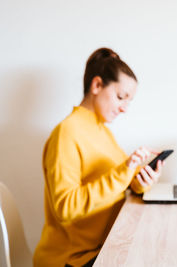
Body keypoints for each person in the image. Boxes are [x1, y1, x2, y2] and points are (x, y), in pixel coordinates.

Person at [33, 48, 163, 267]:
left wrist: (140, 181)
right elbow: (66, 208)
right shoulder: (67, 133)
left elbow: (121, 182)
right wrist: (124, 173)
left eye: (129, 101)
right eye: (121, 97)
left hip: (103, 245)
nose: (124, 108)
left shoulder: (102, 130)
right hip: (73, 259)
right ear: (96, 86)